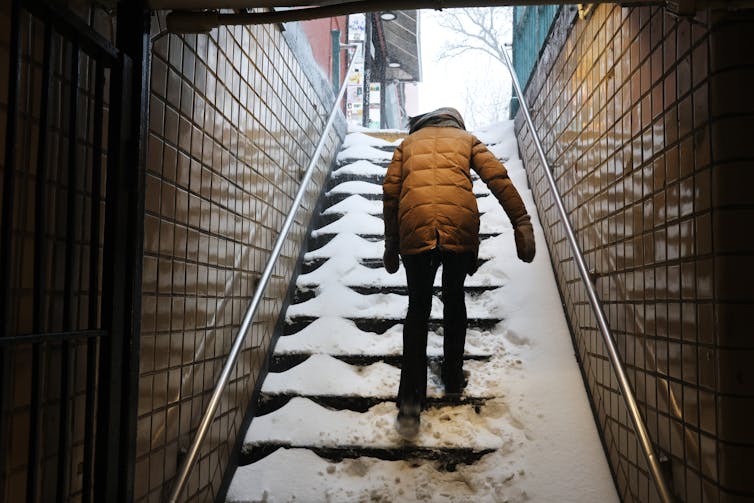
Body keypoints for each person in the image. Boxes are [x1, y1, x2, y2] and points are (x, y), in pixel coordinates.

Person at [382, 107, 536, 439]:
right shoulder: (466, 139)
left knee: (418, 311)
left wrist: (391, 242)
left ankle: (410, 404)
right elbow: (498, 178)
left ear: (423, 123)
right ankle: (452, 377)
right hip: (460, 228)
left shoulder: (406, 146)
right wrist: (521, 222)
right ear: (454, 122)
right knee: (454, 298)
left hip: (415, 226)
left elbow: (391, 193)